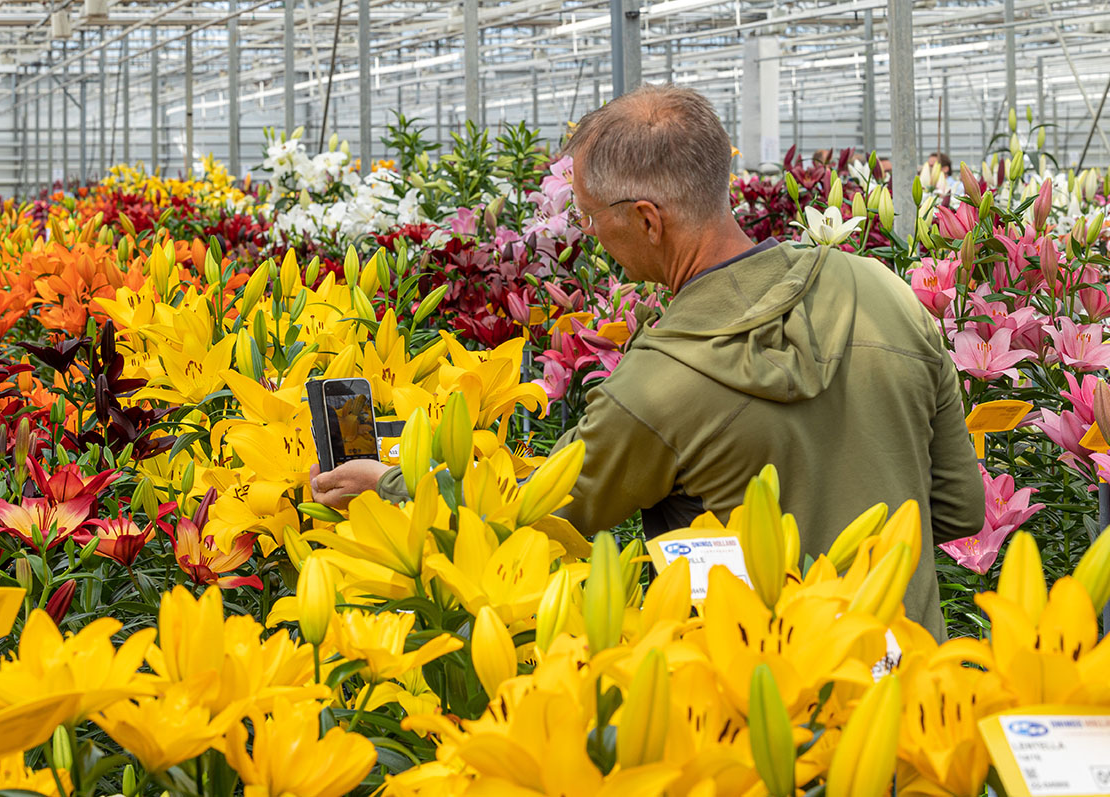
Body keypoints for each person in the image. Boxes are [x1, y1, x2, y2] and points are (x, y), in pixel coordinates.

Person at [310, 83, 984, 640]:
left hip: (757, 709)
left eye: (589, 217)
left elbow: (526, 517)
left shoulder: (658, 385)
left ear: (647, 219)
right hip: (912, 696)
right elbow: (958, 508)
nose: (589, 236)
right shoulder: (883, 291)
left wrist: (386, 486)